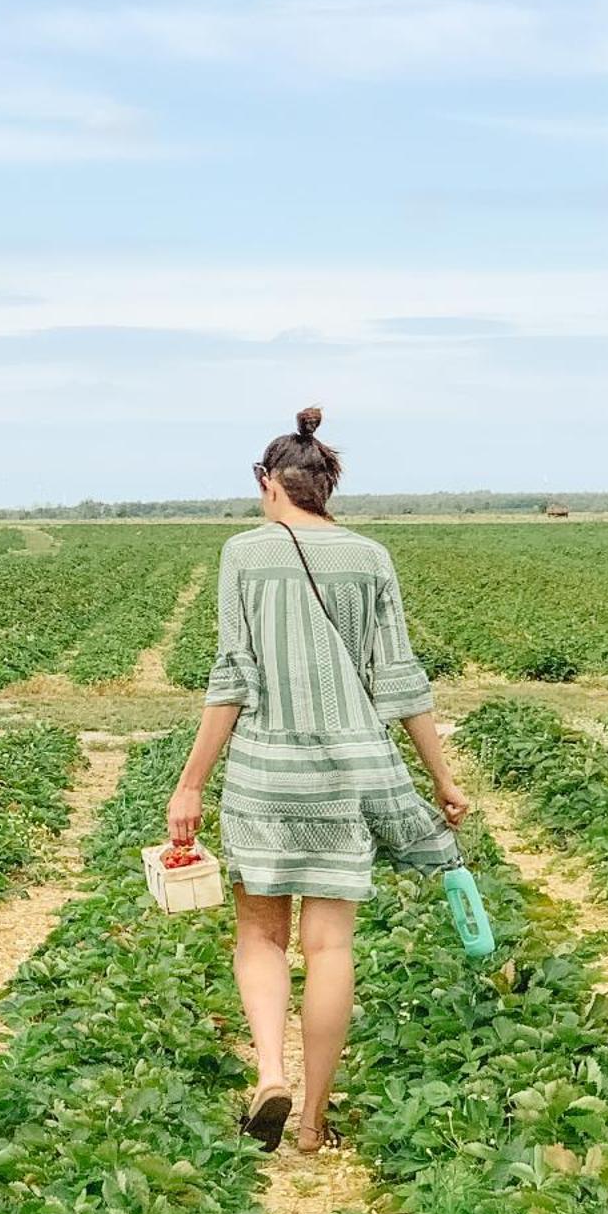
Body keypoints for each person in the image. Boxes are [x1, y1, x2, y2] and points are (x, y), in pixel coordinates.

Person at [167, 408, 468, 1154]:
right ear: (325, 484)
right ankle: (311, 1123)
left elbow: (231, 678)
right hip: (350, 772)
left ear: (268, 482)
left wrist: (191, 783)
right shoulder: (370, 557)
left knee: (260, 935)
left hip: (267, 773)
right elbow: (400, 679)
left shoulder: (244, 555)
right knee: (330, 947)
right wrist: (443, 778)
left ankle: (271, 1072)